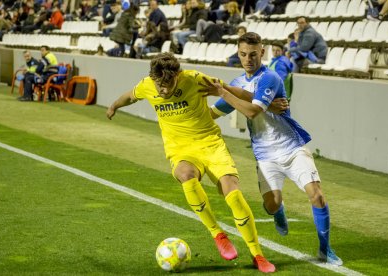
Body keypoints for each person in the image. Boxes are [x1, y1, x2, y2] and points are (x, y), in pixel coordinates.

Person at [106, 53, 276, 273]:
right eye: (159, 85)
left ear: (178, 75)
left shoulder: (195, 79)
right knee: (186, 175)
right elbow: (129, 96)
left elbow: (233, 91)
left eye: (167, 84)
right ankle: (218, 234)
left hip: (211, 144)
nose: (162, 90)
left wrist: (267, 105)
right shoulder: (148, 85)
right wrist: (113, 106)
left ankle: (257, 255)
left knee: (232, 192)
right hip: (181, 149)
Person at [203, 32, 343, 266]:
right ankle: (279, 209)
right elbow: (212, 114)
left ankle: (325, 248)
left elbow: (252, 111)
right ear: (238, 54)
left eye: (254, 54)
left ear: (263, 52)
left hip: (292, 147)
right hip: (265, 155)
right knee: (271, 204)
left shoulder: (271, 77)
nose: (248, 59)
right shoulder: (237, 84)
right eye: (244, 54)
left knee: (317, 196)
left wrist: (224, 92)